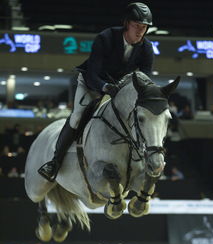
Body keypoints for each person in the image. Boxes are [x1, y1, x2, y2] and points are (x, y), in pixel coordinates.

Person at [38, 2, 154, 182]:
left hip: (120, 90)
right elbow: (92, 72)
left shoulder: (146, 47)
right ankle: (55, 162)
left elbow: (144, 77)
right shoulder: (106, 37)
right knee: (77, 116)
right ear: (126, 24)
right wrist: (105, 87)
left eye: (144, 27)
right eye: (136, 26)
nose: (140, 31)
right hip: (93, 83)